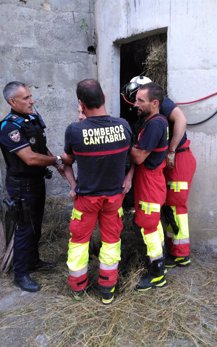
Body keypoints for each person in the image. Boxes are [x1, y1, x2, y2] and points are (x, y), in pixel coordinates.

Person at [61, 79, 132, 304]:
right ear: (104, 98)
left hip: (86, 199)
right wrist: (128, 178)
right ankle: (107, 290)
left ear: (80, 104)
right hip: (114, 197)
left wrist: (73, 185)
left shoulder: (74, 130)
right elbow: (132, 160)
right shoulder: (124, 125)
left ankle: (78, 288)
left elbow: (67, 162)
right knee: (112, 240)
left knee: (79, 241)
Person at [124, 76, 196, 269]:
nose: (135, 104)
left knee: (175, 207)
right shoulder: (153, 117)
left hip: (178, 159)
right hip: (167, 160)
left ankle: (181, 254)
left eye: (139, 99)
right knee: (167, 208)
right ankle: (172, 252)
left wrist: (171, 151)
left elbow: (181, 119)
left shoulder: (161, 110)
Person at [0, 81, 63, 292]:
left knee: (36, 223)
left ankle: (33, 261)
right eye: (26, 98)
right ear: (12, 101)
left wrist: (55, 161)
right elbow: (29, 158)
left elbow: (41, 148)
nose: (31, 100)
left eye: (30, 96)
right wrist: (55, 159)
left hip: (36, 182)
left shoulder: (32, 119)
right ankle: (21, 273)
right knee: (24, 228)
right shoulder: (9, 127)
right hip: (21, 186)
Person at [130, 82, 168, 291]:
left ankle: (156, 275)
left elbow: (138, 157)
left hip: (150, 182)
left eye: (140, 101)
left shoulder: (155, 124)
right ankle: (159, 261)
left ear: (154, 103)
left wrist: (125, 144)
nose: (135, 104)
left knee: (148, 226)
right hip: (152, 180)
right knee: (153, 223)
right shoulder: (155, 121)